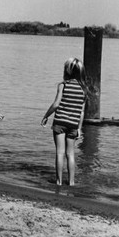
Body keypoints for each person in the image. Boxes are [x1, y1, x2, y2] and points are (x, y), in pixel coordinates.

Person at [41, 58, 87, 186]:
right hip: (73, 124)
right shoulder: (83, 89)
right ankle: (71, 182)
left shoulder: (63, 85)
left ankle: (59, 181)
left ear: (67, 71)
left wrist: (46, 115)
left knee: (59, 153)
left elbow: (56, 104)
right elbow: (82, 112)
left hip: (60, 122)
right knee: (70, 154)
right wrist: (79, 128)